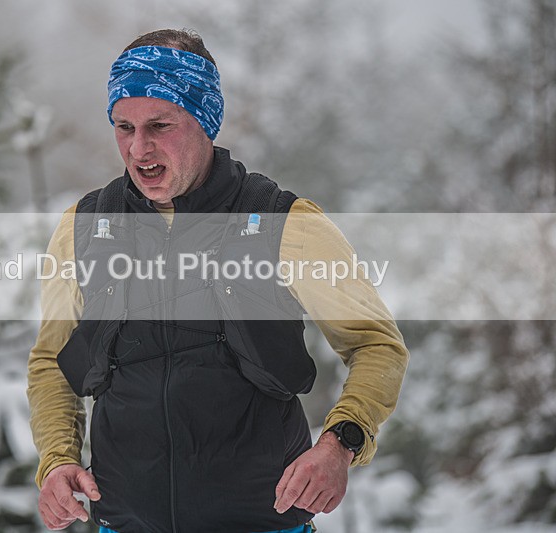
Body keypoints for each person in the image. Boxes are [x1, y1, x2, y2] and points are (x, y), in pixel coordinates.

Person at [27, 29, 409, 533]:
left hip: (263, 523)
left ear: (206, 120)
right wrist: (56, 460)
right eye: (124, 126)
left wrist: (340, 443)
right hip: (123, 522)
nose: (139, 148)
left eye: (160, 125)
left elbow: (376, 344)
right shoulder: (84, 226)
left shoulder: (283, 221)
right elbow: (51, 360)